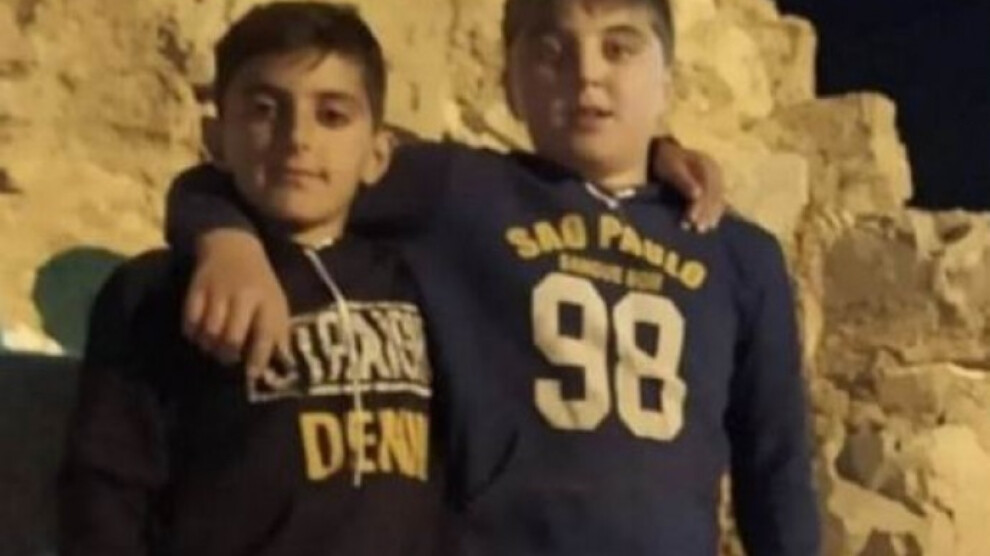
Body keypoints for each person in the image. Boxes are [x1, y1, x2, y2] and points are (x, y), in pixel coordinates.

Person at [168, 0, 820, 555]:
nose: (587, 73)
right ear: (510, 83)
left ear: (667, 81)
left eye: (619, 49)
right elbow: (277, 177)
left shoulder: (736, 251)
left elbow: (775, 463)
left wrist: (662, 150)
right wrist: (225, 241)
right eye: (551, 51)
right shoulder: (459, 192)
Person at [58, 4, 443, 555]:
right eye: (264, 110)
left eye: (332, 116)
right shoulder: (156, 292)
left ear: (378, 154)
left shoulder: (418, 276)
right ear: (216, 138)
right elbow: (105, 489)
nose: (297, 138)